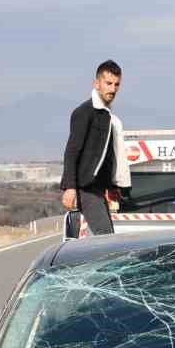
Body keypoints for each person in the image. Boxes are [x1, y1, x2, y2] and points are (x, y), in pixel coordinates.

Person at [60, 60, 130, 237]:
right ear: (96, 83)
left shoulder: (109, 118)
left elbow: (108, 157)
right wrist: (70, 188)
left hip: (99, 190)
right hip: (85, 188)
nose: (113, 89)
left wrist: (114, 186)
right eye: (108, 83)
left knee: (107, 236)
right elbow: (72, 151)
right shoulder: (84, 112)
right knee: (106, 237)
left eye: (116, 84)